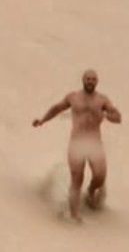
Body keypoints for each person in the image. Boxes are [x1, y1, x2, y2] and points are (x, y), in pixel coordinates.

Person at [32, 69, 121, 222]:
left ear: (97, 81)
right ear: (83, 80)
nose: (90, 81)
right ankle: (74, 216)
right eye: (88, 79)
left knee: (100, 176)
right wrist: (42, 120)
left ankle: (91, 192)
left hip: (94, 143)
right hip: (76, 143)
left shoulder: (102, 100)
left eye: (93, 79)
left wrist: (108, 115)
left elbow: (117, 116)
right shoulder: (73, 97)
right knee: (77, 179)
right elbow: (57, 108)